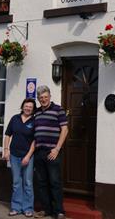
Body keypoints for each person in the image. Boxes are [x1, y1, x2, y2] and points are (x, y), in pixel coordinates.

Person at [33, 85, 68, 219]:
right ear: (38, 99)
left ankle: (59, 211)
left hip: (53, 151)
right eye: (41, 97)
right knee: (41, 183)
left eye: (45, 97)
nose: (43, 99)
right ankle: (46, 210)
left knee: (55, 182)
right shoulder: (36, 112)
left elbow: (65, 130)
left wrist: (57, 149)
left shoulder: (58, 110)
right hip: (39, 152)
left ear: (50, 97)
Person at [3, 98, 36, 217]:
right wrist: (6, 150)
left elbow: (35, 141)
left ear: (33, 109)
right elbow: (7, 135)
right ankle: (16, 207)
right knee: (16, 182)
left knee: (27, 183)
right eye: (26, 106)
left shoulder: (34, 120)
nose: (28, 108)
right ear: (22, 106)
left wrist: (28, 156)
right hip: (14, 155)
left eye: (30, 107)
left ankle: (28, 208)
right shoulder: (15, 119)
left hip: (28, 156)